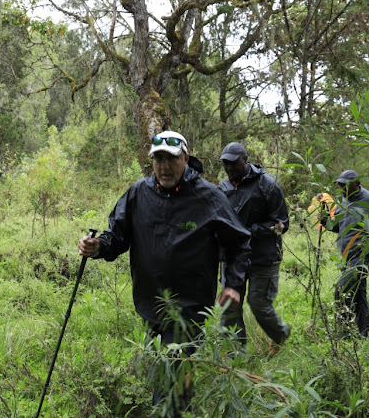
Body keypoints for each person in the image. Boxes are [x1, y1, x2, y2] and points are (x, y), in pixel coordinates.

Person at [78, 131, 251, 416]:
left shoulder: (208, 195)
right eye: (158, 159)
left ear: (185, 158)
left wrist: (233, 283)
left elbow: (239, 240)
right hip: (150, 305)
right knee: (165, 370)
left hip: (188, 308)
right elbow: (118, 236)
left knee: (173, 376)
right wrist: (97, 246)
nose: (164, 167)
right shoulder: (138, 193)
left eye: (171, 159)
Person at [217, 142, 291, 355]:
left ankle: (280, 334)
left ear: (245, 160)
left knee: (258, 304)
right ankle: (234, 356)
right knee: (230, 305)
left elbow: (282, 223)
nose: (230, 168)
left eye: (234, 164)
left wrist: (250, 231)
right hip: (232, 258)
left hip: (263, 257)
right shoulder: (223, 188)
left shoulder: (267, 185)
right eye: (225, 164)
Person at [323, 170, 369, 337]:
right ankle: (364, 333)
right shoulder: (344, 200)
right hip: (347, 256)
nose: (342, 189)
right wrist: (326, 221)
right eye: (340, 186)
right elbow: (339, 227)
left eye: (345, 186)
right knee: (358, 293)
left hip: (364, 256)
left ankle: (344, 334)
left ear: (357, 183)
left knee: (341, 289)